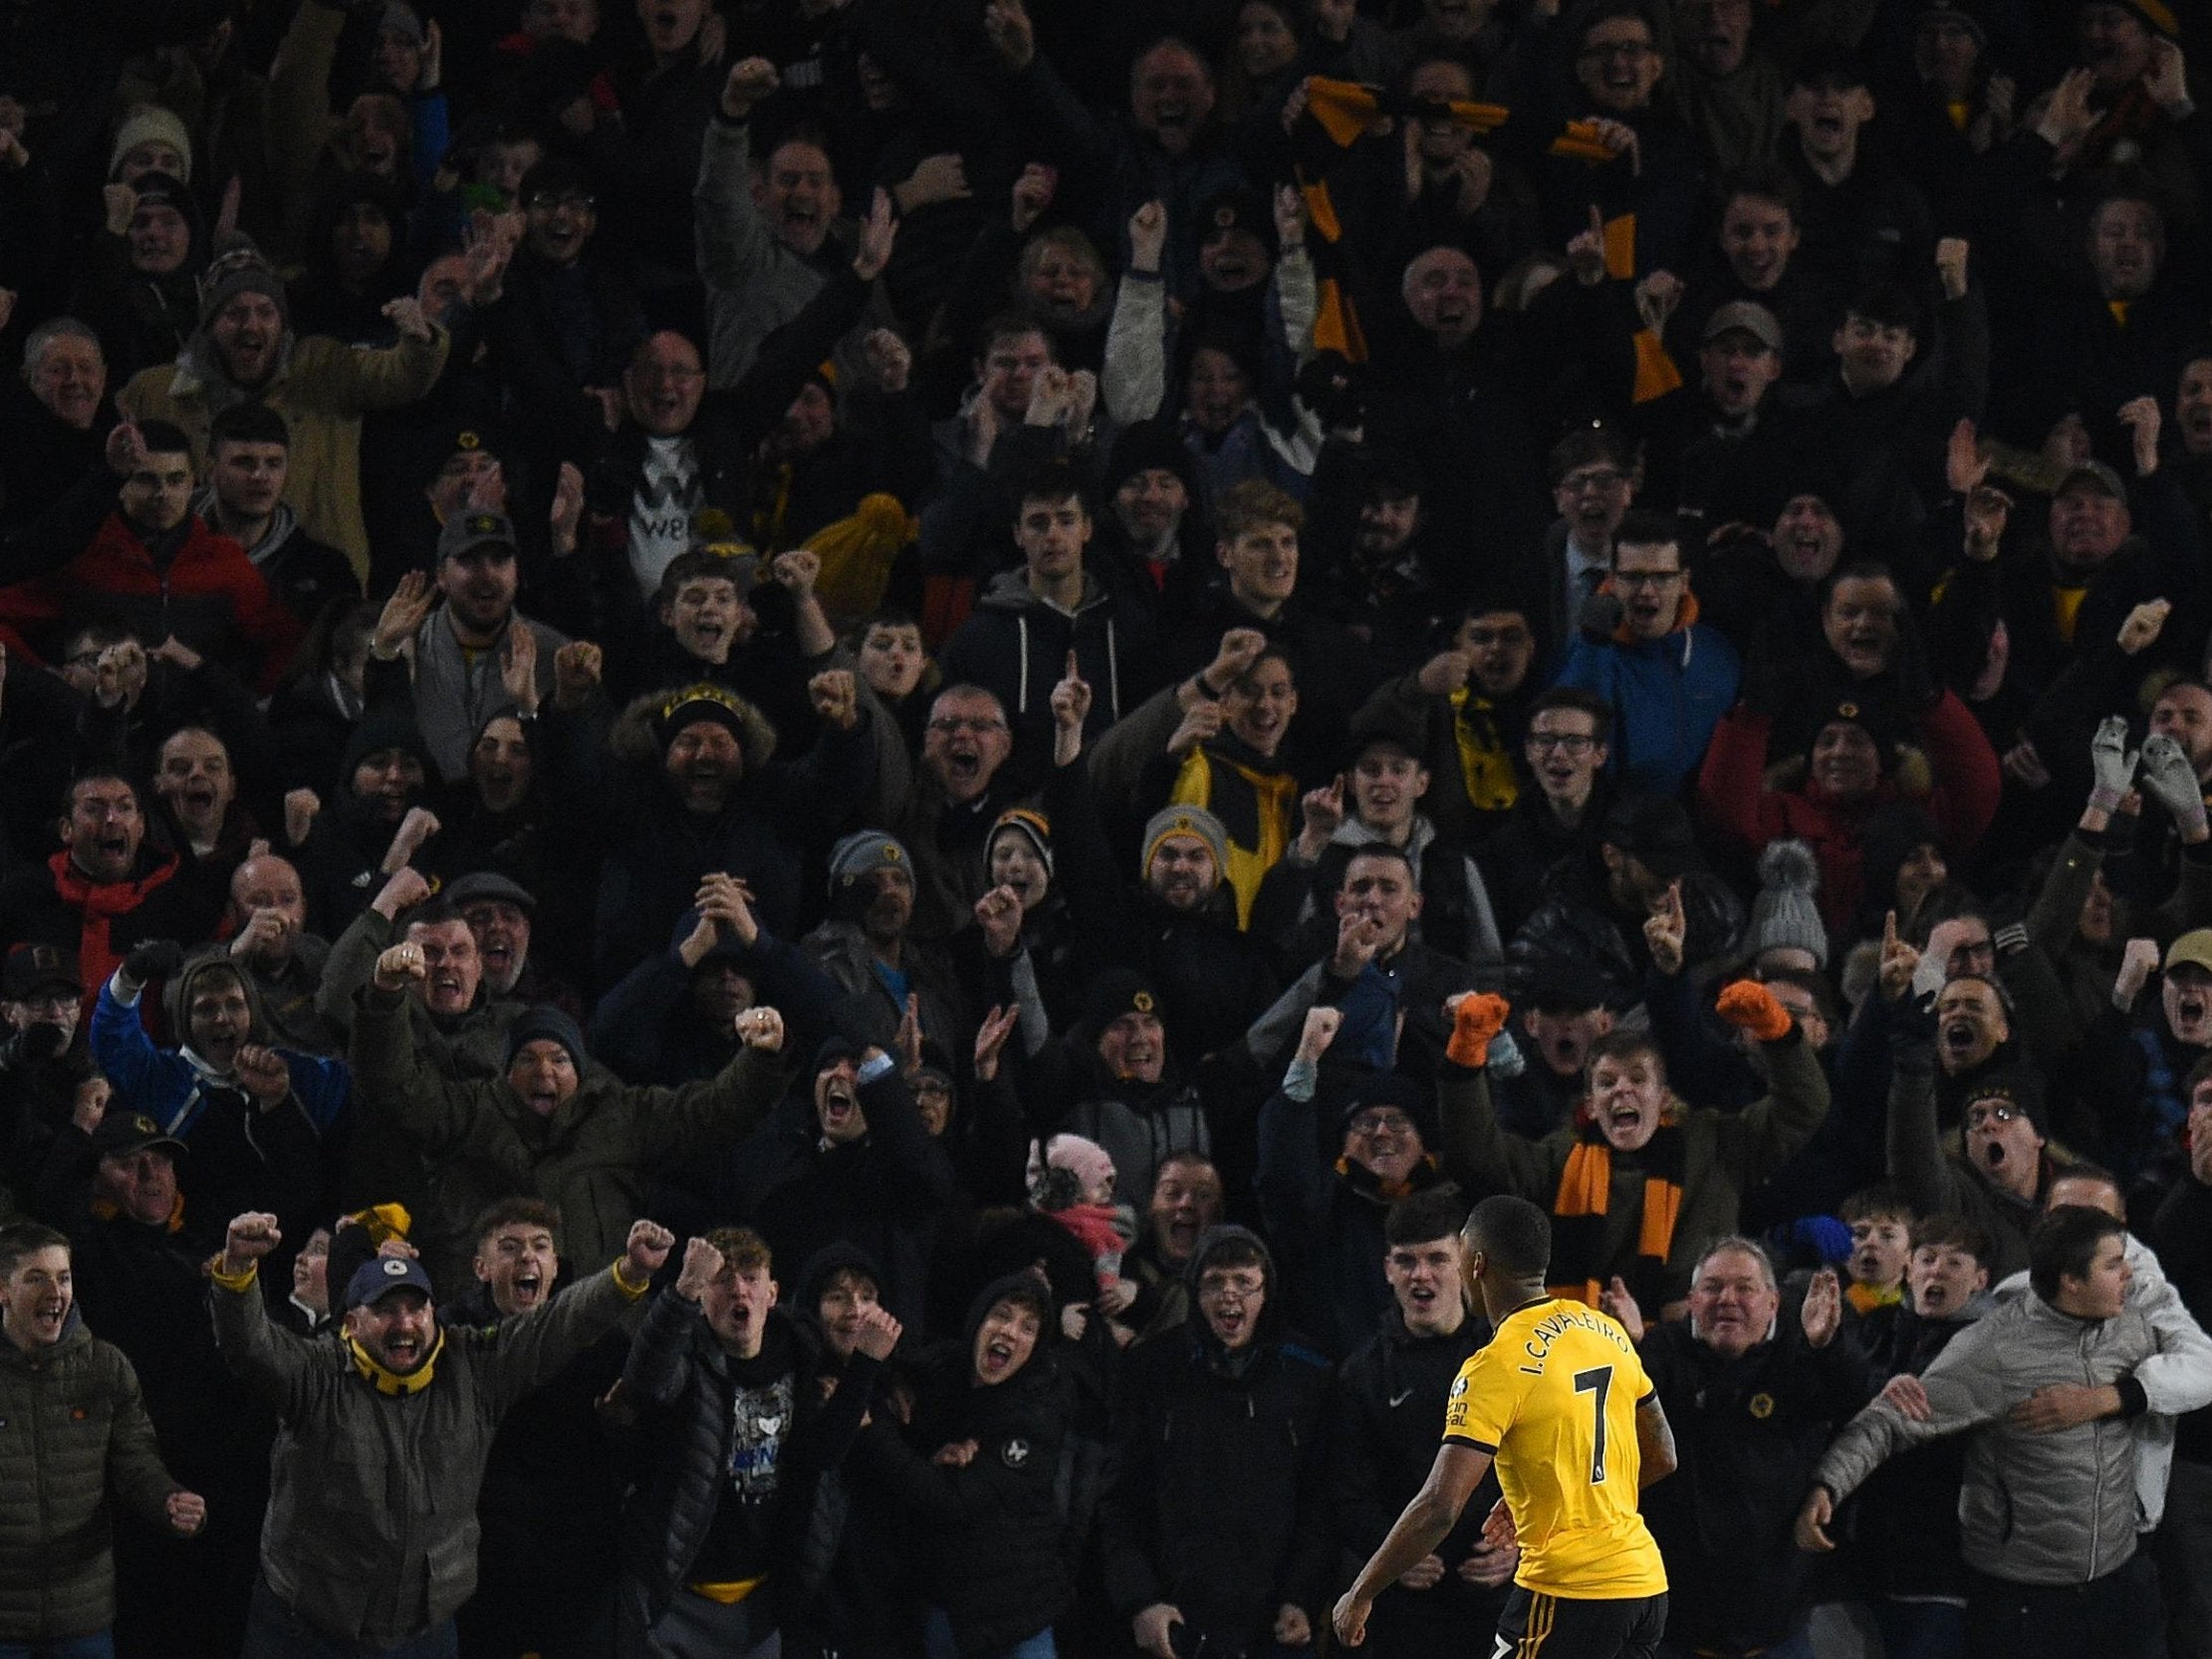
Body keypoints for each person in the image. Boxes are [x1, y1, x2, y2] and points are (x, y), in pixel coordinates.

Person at [209, 1208, 676, 1658]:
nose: (405, 1323)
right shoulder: (316, 1375)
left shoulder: (471, 1367)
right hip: (307, 1628)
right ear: (351, 1324)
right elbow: (251, 1347)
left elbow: (558, 1324)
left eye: (416, 1308)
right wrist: (237, 1269)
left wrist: (630, 1273)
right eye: (385, 1309)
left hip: (424, 1634)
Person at [1800, 1205, 2212, 1659]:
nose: (2129, 1275)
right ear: (2071, 1281)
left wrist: (2109, 1398)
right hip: (2025, 1600)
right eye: (2113, 1264)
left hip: (2116, 1581)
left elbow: (2200, 1370)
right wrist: (1828, 1484)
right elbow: (1890, 1422)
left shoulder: (2131, 1328)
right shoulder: (1993, 1350)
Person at [1331, 1193, 1675, 1659]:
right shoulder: (1602, 1329)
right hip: (1644, 1586)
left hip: (1569, 1591)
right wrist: (1549, 1502)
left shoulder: (1495, 1364)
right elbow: (1662, 1455)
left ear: (1474, 1263)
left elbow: (1438, 1506)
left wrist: (1361, 1592)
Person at [0, 1220, 208, 1656]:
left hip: (83, 1620)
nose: (55, 1293)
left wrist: (167, 1499)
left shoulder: (105, 1367)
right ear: (3, 1290)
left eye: (63, 1277)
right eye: (36, 1278)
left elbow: (136, 1464)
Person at [1330, 1189, 1514, 1659]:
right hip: (1405, 1615)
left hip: (1501, 1601)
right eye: (1406, 1261)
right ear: (1387, 1269)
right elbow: (1344, 1493)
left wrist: (1523, 1547)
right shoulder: (1363, 1374)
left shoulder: (1510, 1356)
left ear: (1467, 1264)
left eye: (1437, 1258)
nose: (1421, 1275)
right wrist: (1389, 1555)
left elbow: (1556, 1466)